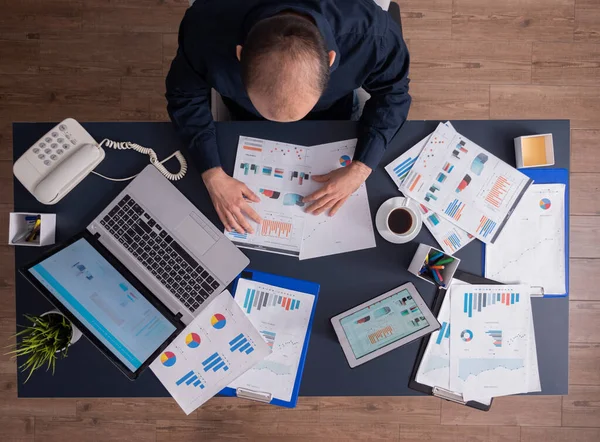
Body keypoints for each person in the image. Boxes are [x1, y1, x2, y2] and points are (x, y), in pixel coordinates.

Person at [166, 0, 411, 234]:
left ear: (330, 59)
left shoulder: (371, 36)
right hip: (243, 119)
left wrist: (361, 167)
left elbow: (394, 93)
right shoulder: (205, 30)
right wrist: (212, 174)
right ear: (240, 55)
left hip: (334, 115)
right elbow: (184, 97)